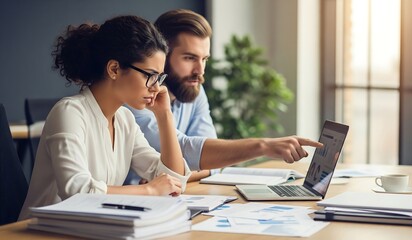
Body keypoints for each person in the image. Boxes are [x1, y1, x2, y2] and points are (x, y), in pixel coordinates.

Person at [19, 15, 191, 220]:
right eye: (149, 75)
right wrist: (150, 191)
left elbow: (173, 182)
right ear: (114, 69)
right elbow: (77, 191)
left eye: (159, 77)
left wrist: (165, 116)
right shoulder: (69, 113)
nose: (157, 87)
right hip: (42, 232)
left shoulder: (125, 119)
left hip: (93, 229)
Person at [126, 9, 323, 183]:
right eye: (189, 58)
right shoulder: (137, 98)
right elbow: (187, 150)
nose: (199, 70)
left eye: (204, 59)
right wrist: (263, 146)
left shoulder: (194, 90)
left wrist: (179, 175)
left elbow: (210, 163)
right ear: (162, 55)